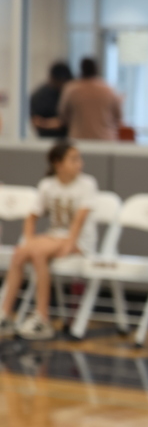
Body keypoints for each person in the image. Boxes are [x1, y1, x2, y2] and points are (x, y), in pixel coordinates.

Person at [0, 142, 98, 341]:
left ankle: (42, 317)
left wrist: (70, 243)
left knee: (38, 252)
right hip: (54, 237)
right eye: (73, 159)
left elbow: (80, 220)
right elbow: (31, 217)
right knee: (20, 253)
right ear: (57, 164)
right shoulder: (47, 185)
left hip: (79, 241)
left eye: (79, 159)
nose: (79, 164)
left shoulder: (87, 184)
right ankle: (5, 314)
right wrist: (28, 240)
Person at [58, 57, 122, 141]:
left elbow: (63, 115)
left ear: (81, 69)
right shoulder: (108, 90)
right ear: (96, 69)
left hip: (79, 139)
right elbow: (118, 117)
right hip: (105, 140)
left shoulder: (71, 89)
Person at [30, 62, 73, 139]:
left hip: (69, 139)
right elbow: (36, 121)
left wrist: (47, 123)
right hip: (46, 139)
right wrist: (56, 123)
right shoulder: (40, 96)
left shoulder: (72, 94)